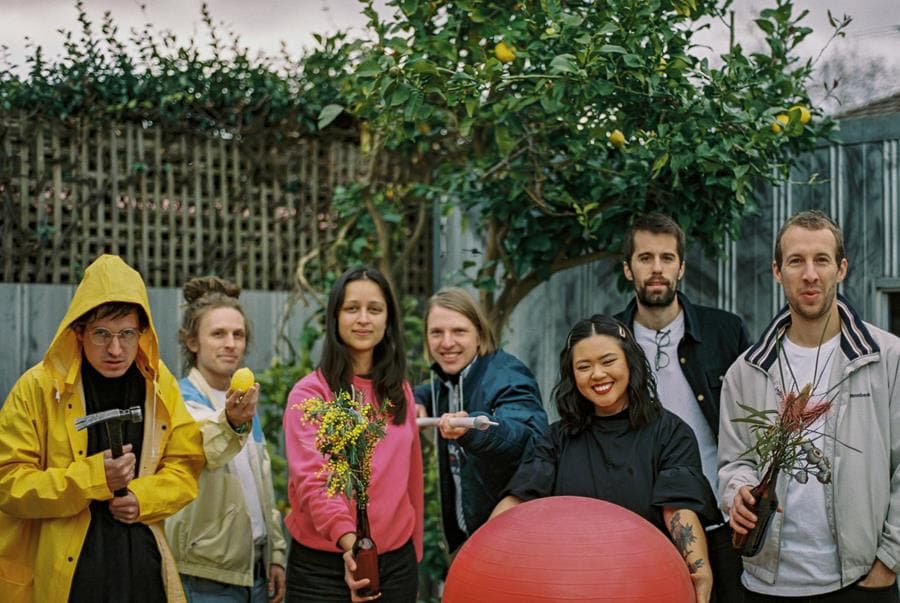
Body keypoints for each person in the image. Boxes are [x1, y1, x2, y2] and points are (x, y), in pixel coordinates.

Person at [718, 210, 900, 601]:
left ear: (841, 268)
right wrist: (738, 493)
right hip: (766, 584)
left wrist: (889, 559)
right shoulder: (746, 371)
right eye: (796, 261)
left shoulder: (887, 359)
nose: (810, 274)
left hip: (860, 581)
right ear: (777, 271)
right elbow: (733, 462)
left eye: (822, 260)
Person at [0, 254, 204, 602]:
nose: (115, 349)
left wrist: (144, 498)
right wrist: (94, 478)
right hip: (66, 581)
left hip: (143, 575)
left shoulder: (158, 385)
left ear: (143, 332)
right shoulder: (39, 388)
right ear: (78, 331)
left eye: (127, 334)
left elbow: (184, 466)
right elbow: (8, 483)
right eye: (101, 334)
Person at [493, 314, 719, 603]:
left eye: (608, 361)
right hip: (570, 587)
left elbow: (677, 508)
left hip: (646, 585)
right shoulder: (558, 438)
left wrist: (699, 568)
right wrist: (481, 549)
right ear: (572, 375)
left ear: (630, 362)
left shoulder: (670, 432)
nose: (597, 374)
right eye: (584, 367)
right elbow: (520, 499)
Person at [615, 212, 750, 603]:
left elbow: (757, 418)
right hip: (639, 527)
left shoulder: (724, 331)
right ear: (628, 268)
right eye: (645, 258)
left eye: (667, 258)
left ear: (682, 267)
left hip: (722, 522)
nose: (657, 268)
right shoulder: (609, 339)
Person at [283, 266, 423, 602]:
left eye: (374, 309)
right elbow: (315, 482)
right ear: (335, 317)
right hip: (323, 570)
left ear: (388, 320)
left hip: (396, 565)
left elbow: (412, 478)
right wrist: (352, 545)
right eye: (351, 308)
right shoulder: (310, 395)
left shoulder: (399, 391)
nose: (363, 319)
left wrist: (414, 552)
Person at [165, 276, 287, 602]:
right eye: (218, 334)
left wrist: (275, 553)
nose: (231, 343)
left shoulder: (244, 401)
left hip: (256, 571)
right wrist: (232, 421)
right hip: (206, 577)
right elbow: (208, 447)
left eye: (238, 334)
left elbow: (263, 482)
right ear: (192, 342)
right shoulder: (179, 399)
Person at [413, 287, 547, 553]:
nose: (447, 343)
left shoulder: (508, 375)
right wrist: (415, 398)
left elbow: (526, 435)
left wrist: (474, 428)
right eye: (436, 333)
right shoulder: (447, 382)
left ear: (480, 334)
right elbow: (431, 390)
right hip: (469, 539)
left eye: (459, 331)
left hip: (512, 539)